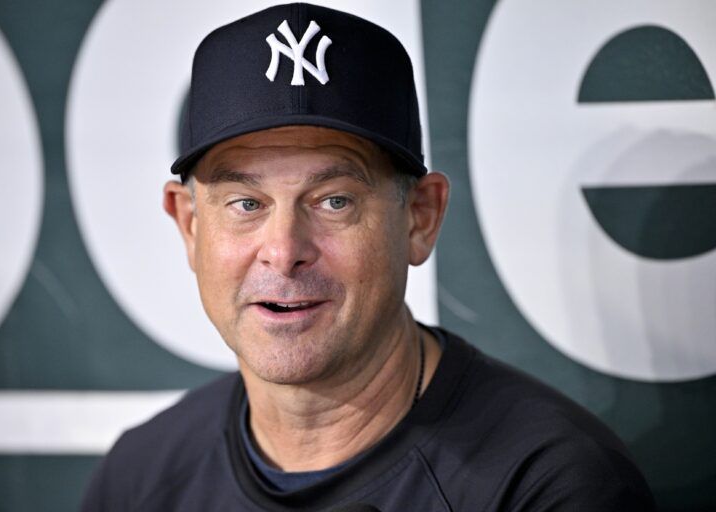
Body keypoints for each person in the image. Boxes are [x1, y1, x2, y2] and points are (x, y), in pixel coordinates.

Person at [81, 4, 655, 511]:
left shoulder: (548, 485)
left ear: (420, 218)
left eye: (334, 201)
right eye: (246, 202)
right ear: (189, 223)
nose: (284, 252)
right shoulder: (141, 477)